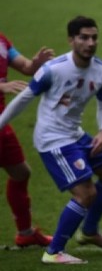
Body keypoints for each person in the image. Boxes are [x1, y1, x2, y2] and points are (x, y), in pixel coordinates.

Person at [0, 16, 102, 265]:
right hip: (52, 139)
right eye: (83, 37)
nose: (90, 43)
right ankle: (54, 251)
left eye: (94, 37)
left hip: (75, 134)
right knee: (86, 193)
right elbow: (23, 99)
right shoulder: (53, 70)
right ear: (71, 40)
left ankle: (89, 232)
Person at [1, 33, 55, 248]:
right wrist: (2, 87)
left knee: (21, 172)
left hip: (2, 123)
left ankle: (25, 233)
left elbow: (25, 67)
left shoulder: (2, 42)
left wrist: (35, 63)